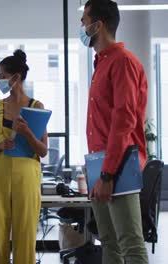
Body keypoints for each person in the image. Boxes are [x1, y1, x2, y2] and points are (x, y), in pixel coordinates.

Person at [81, 1, 148, 263]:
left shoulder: (123, 62)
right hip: (100, 163)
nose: (82, 25)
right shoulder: (101, 63)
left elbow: (124, 122)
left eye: (85, 19)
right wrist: (93, 169)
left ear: (100, 24)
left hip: (119, 165)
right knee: (108, 242)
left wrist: (107, 174)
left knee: (129, 243)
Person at [0, 49, 48, 264]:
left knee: (25, 234)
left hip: (27, 176)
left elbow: (43, 151)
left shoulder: (36, 107)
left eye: (2, 76)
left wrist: (27, 133)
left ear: (16, 77)